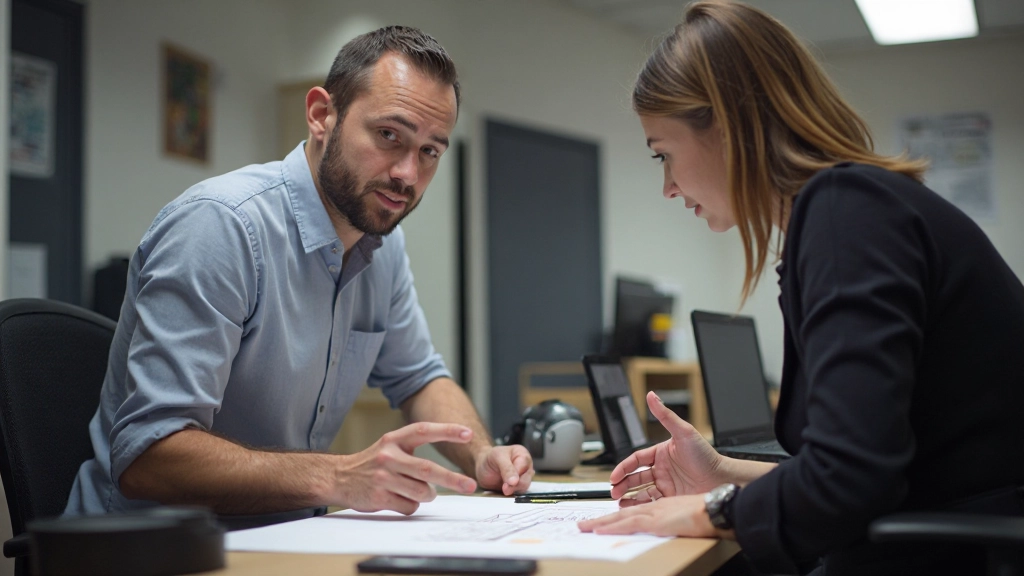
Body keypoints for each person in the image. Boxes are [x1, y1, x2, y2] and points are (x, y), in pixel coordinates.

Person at [578, 2, 1024, 575]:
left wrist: (711, 511)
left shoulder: (848, 213)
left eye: (664, 154)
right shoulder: (855, 209)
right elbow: (867, 466)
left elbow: (851, 481)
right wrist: (723, 474)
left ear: (729, 126)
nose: (667, 186)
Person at [66, 26, 533, 520]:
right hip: (151, 553)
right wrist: (337, 477)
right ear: (321, 115)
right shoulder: (221, 227)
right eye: (388, 136)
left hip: (283, 540)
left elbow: (419, 379)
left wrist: (481, 454)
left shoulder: (382, 246)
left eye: (429, 151)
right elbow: (148, 457)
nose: (407, 174)